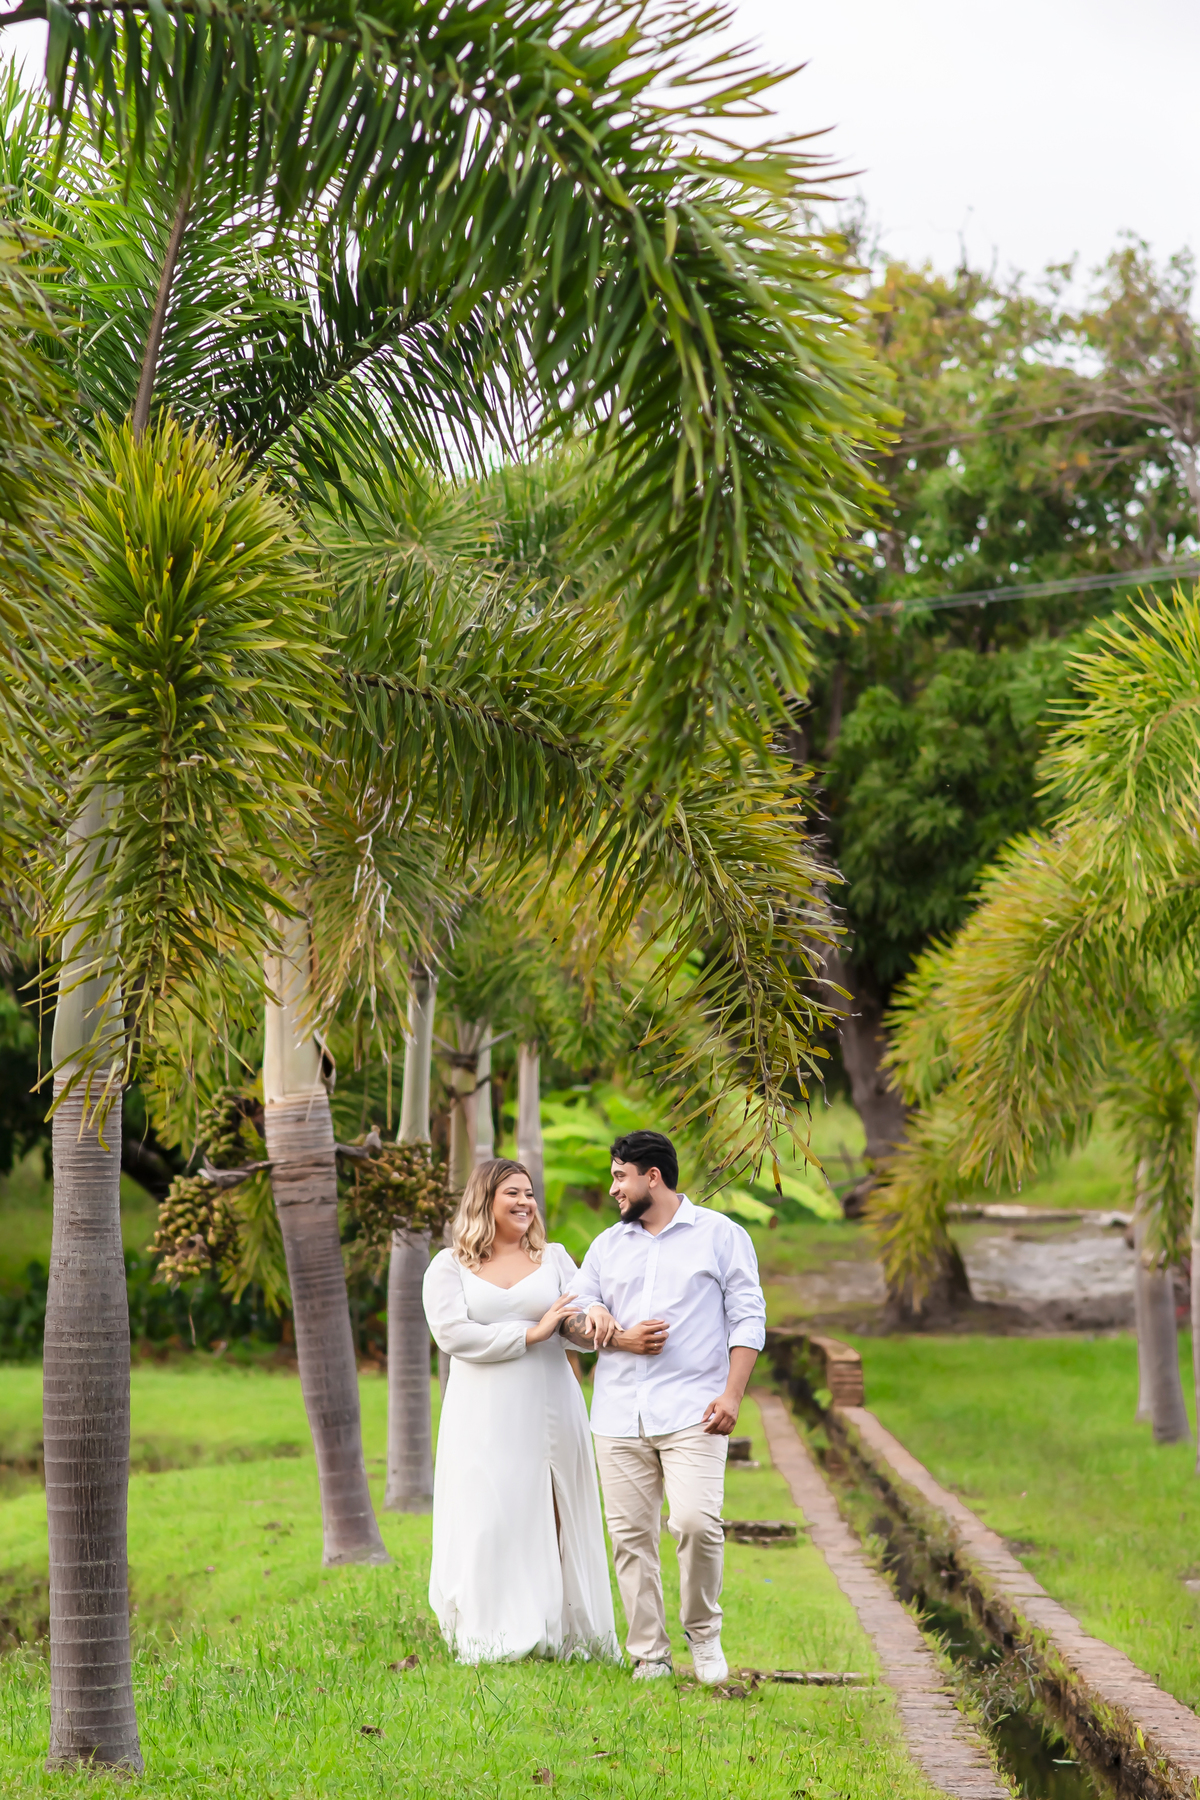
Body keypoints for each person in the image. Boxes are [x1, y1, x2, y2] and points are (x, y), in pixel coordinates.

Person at [566, 1129, 766, 1685]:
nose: (613, 1189)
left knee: (697, 1524)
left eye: (619, 1176)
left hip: (694, 1412)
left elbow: (748, 1317)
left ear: (652, 1177)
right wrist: (601, 1325)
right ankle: (649, 1655)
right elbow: (577, 1316)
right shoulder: (607, 1246)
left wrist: (732, 1394)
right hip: (617, 1413)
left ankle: (703, 1635)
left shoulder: (721, 1237)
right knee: (630, 1538)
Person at [422, 1156, 620, 1665]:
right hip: (481, 1411)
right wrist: (532, 1332)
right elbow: (452, 1335)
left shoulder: (553, 1258)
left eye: (530, 1194)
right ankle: (492, 1629)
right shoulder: (449, 1266)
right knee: (489, 1513)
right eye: (513, 1192)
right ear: (484, 1198)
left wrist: (592, 1317)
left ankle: (560, 1628)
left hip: (550, 1403)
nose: (525, 1202)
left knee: (554, 1509)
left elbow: (578, 1315)